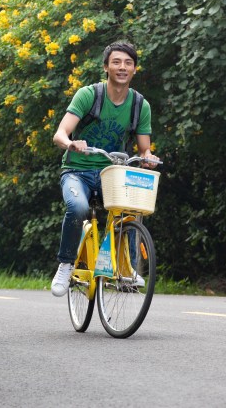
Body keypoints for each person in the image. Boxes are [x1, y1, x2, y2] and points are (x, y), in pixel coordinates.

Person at [50, 41, 157, 297]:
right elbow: (60, 134)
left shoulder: (139, 105)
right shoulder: (89, 95)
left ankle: (126, 267)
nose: (122, 67)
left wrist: (148, 156)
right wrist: (71, 143)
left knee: (130, 209)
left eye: (128, 63)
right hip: (77, 172)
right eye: (117, 62)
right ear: (106, 67)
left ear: (134, 70)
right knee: (78, 208)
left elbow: (144, 149)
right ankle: (65, 264)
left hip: (112, 174)